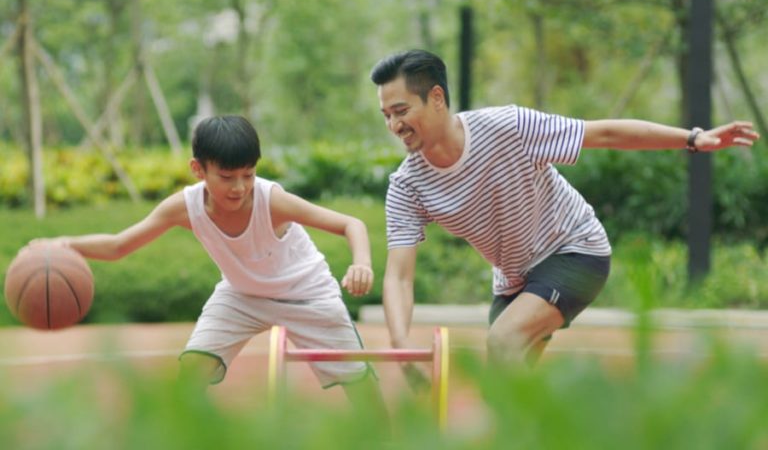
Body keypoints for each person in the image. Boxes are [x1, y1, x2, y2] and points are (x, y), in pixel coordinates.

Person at [369, 49, 760, 374]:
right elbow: (399, 276)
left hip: (575, 249)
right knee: (511, 379)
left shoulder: (509, 127)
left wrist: (693, 138)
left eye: (401, 110)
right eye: (386, 115)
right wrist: (401, 344)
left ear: (436, 98)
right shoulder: (407, 186)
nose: (394, 124)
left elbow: (603, 134)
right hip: (515, 279)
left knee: (503, 341)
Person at [31, 115, 386, 410]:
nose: (239, 187)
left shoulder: (271, 200)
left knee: (360, 388)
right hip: (241, 297)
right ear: (198, 169)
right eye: (227, 177)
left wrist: (362, 263)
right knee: (189, 375)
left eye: (248, 174)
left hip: (307, 294)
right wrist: (62, 243)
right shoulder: (183, 208)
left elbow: (349, 224)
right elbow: (119, 245)